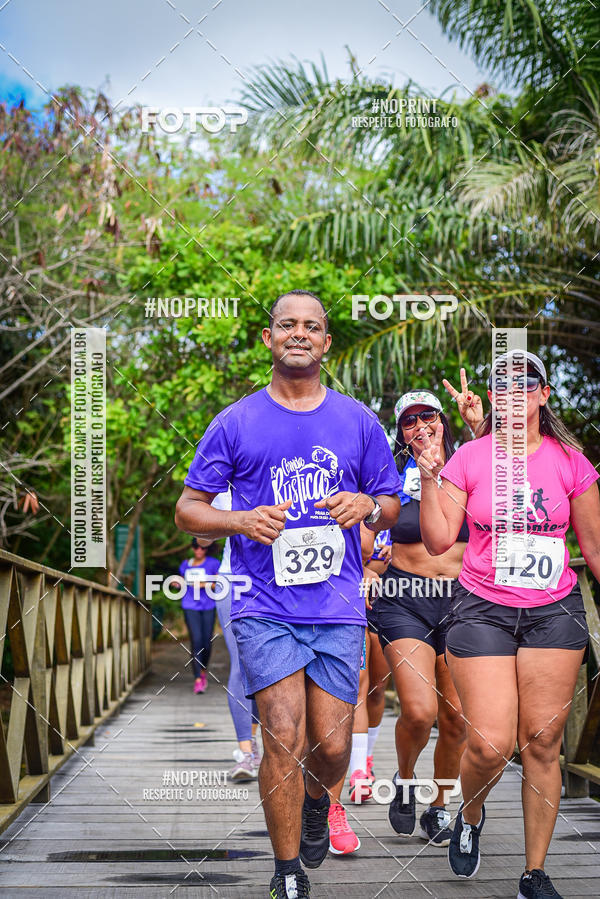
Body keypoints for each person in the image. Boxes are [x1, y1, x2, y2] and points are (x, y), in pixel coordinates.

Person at [174, 289, 402, 899]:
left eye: (311, 326)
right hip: (263, 605)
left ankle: (313, 802)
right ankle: (286, 872)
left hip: (336, 607)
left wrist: (367, 505)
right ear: (269, 340)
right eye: (286, 325)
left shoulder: (358, 421)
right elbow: (187, 510)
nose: (298, 333)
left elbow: (391, 504)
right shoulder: (236, 422)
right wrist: (241, 521)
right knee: (282, 732)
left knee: (330, 748)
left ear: (326, 343)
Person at [418, 350, 599, 899]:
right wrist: (429, 476)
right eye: (505, 387)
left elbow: (592, 545)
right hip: (484, 609)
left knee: (542, 742)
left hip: (553, 609)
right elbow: (437, 540)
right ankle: (470, 815)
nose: (515, 395)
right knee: (492, 744)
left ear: (544, 395)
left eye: (527, 385)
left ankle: (534, 873)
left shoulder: (571, 461)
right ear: (495, 400)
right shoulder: (470, 458)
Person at [376, 381, 482, 846]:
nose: (421, 426)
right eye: (409, 421)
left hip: (463, 600)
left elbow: (514, 473)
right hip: (404, 597)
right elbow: (371, 525)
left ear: (444, 420)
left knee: (457, 719)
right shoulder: (389, 473)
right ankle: (403, 779)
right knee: (419, 712)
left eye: (429, 417)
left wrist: (479, 424)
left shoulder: (471, 461)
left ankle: (439, 807)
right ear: (400, 432)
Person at [212, 490, 262, 782]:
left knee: (269, 665)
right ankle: (246, 752)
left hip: (282, 581)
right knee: (242, 665)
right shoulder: (224, 484)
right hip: (235, 580)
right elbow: (203, 535)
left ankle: (265, 742)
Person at [178, 539, 220, 693]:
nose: (199, 550)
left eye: (202, 547)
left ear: (207, 549)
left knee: (206, 643)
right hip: (190, 605)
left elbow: (219, 583)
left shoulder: (213, 563)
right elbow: (183, 581)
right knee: (196, 641)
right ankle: (197, 679)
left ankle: (203, 671)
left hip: (208, 605)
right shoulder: (185, 564)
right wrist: (178, 583)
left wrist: (203, 584)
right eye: (195, 547)